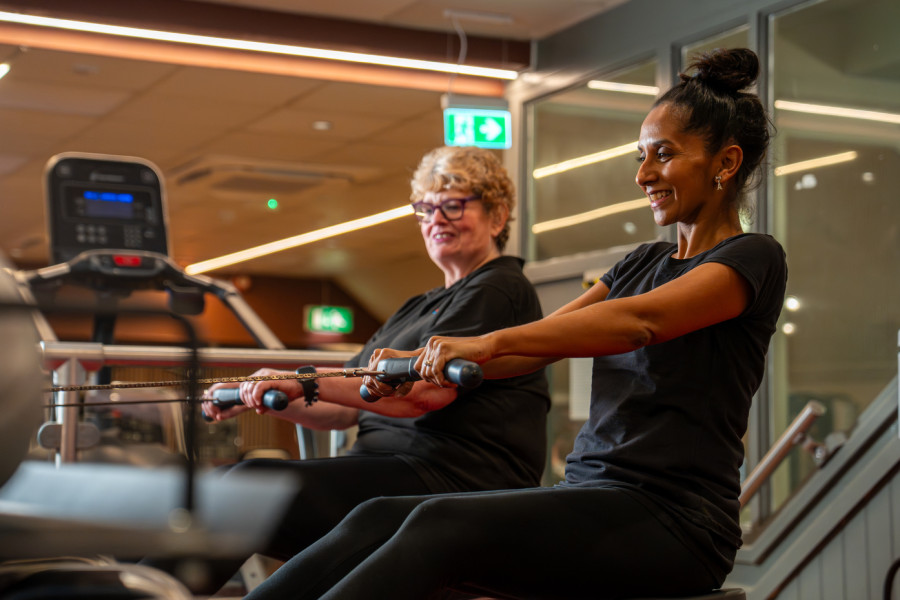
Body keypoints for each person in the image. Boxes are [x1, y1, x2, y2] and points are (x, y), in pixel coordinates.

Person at [243, 47, 788, 600]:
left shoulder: (753, 258)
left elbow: (641, 322)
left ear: (725, 163)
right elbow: (536, 349)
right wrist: (416, 371)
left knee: (439, 528)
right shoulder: (641, 262)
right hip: (593, 492)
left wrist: (482, 343)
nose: (643, 173)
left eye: (663, 155)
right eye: (641, 155)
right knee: (378, 516)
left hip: (678, 521)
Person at [194, 145, 550, 590]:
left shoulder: (499, 289)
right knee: (226, 483)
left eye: (453, 206)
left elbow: (418, 396)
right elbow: (344, 406)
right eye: (426, 209)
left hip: (449, 475)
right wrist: (278, 396)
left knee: (243, 486)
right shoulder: (415, 306)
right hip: (385, 466)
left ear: (497, 216)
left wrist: (301, 381)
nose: (436, 219)